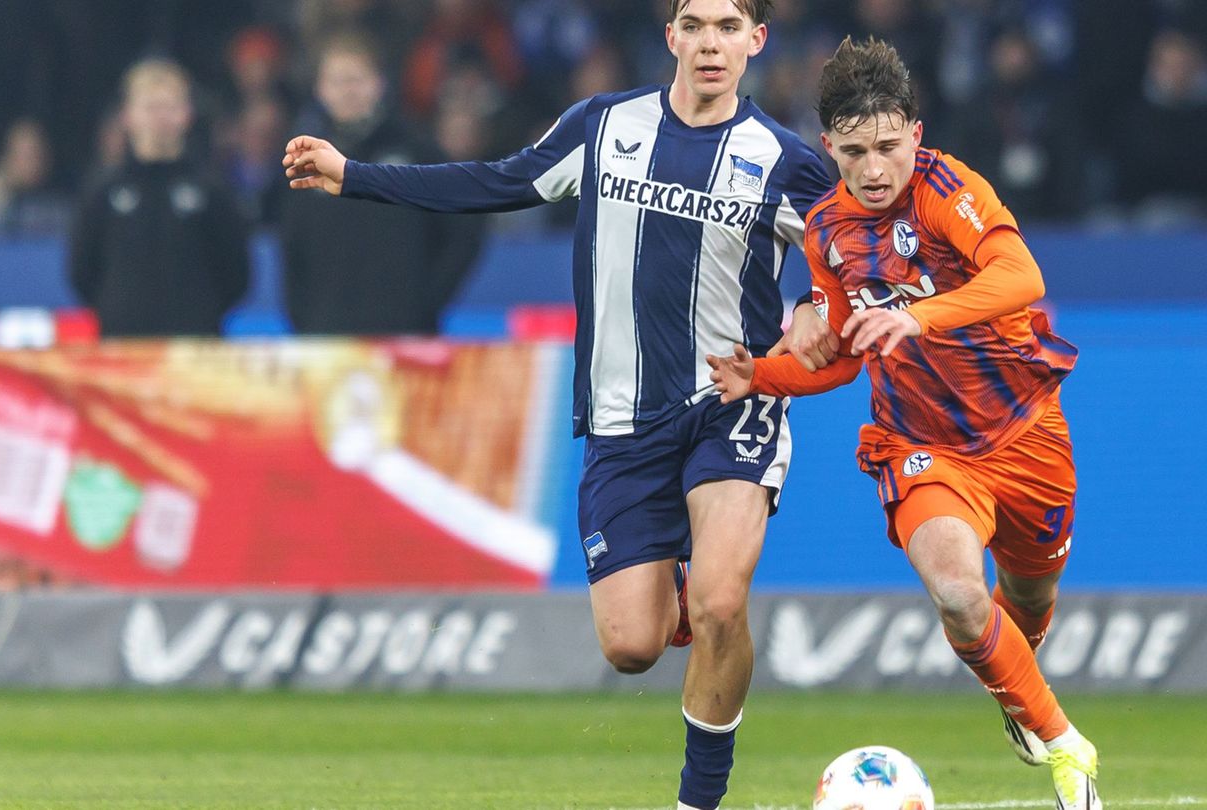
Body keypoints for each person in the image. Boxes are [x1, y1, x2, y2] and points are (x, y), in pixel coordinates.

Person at [282, 2, 834, 808]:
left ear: (757, 40)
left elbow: (850, 247)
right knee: (632, 647)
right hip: (620, 419)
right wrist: (355, 176)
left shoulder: (786, 161)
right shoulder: (603, 126)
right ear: (670, 35)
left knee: (721, 600)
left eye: (727, 25)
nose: (710, 42)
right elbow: (497, 181)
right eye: (694, 23)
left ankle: (698, 798)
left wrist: (820, 301)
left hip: (730, 401)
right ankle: (680, 600)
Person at [706, 37, 1103, 810]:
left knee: (1026, 600)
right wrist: (761, 373)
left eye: (889, 146)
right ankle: (1067, 748)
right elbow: (844, 357)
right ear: (829, 147)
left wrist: (916, 318)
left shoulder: (949, 188)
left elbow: (1022, 275)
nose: (875, 167)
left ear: (916, 135)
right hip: (920, 444)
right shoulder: (825, 232)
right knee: (958, 592)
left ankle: (1019, 692)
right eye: (855, 151)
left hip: (1025, 431)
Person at [280, 32, 485, 334]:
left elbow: (466, 229)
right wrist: (305, 320)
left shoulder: (418, 151)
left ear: (379, 83)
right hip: (327, 342)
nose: (348, 91)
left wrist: (425, 304)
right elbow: (292, 253)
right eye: (338, 81)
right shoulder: (304, 161)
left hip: (406, 338)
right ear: (320, 90)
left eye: (357, 79)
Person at [68, 59, 250, 337]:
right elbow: (82, 271)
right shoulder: (103, 190)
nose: (159, 117)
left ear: (186, 114)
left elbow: (236, 272)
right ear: (127, 116)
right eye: (150, 107)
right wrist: (117, 309)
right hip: (122, 345)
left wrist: (201, 312)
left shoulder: (211, 189)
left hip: (194, 346)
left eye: (169, 106)